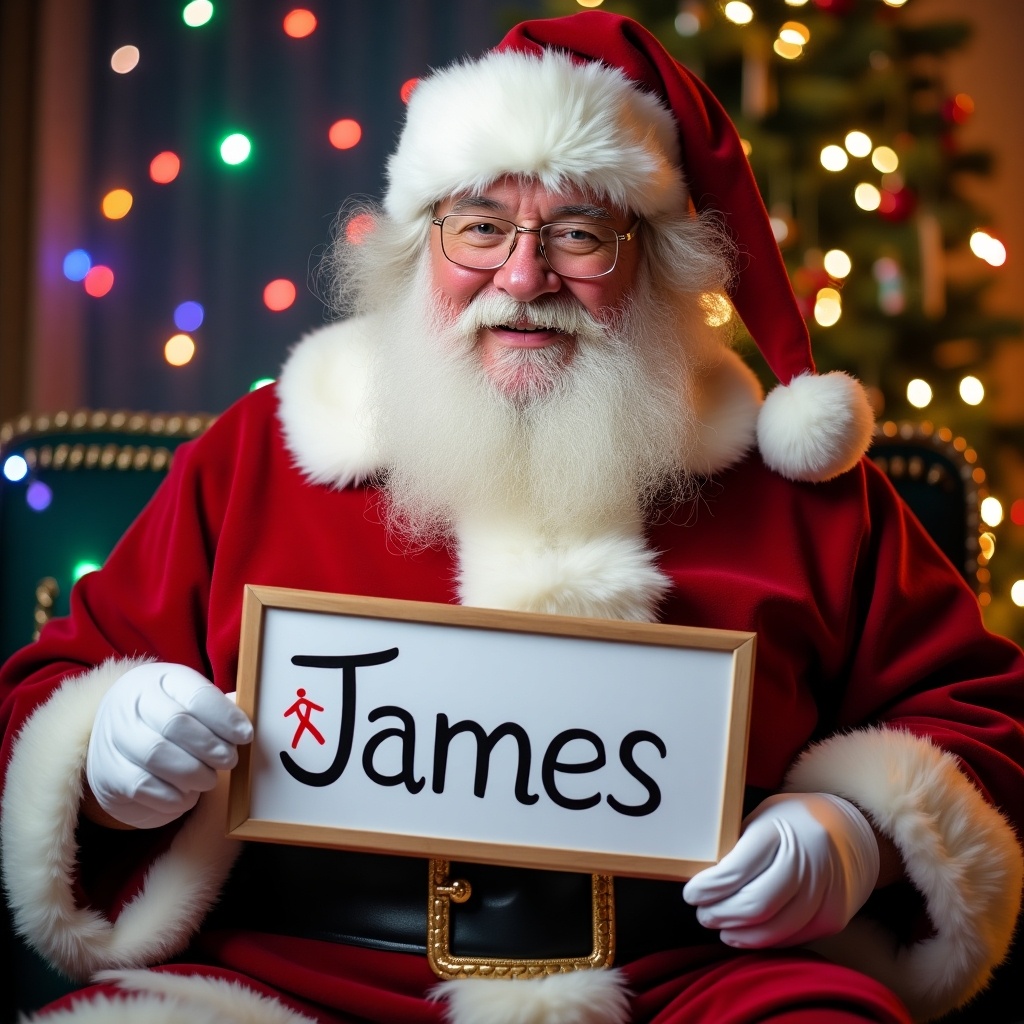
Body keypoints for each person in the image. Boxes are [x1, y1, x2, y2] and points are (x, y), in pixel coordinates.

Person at [1, 11, 1022, 1024]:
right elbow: (48, 688)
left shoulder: (798, 494)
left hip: (689, 983)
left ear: (654, 261)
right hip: (294, 977)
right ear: (420, 245)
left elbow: (983, 717)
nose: (525, 278)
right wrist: (105, 751)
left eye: (579, 232)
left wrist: (855, 831)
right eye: (482, 226)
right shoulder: (261, 451)